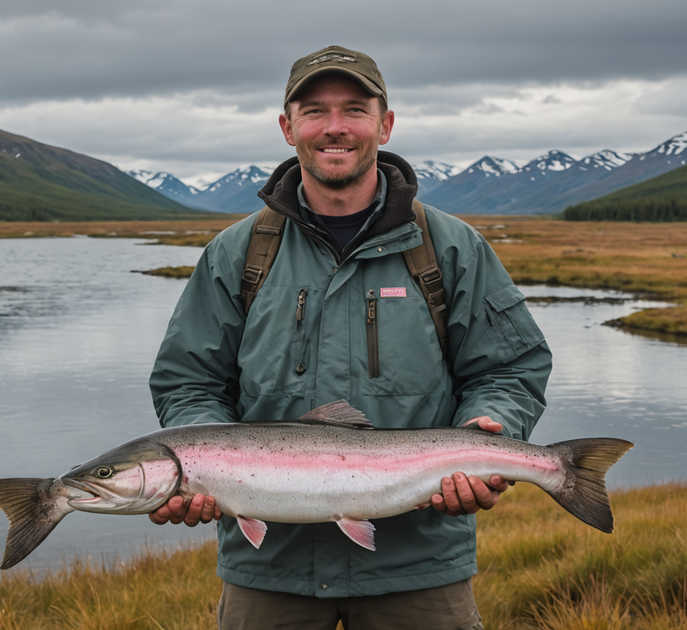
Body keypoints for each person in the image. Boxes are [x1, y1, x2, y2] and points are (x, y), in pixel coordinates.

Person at [148, 45, 551, 630]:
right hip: (268, 571)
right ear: (288, 128)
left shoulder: (452, 247)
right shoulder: (237, 254)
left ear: (384, 125)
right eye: (314, 111)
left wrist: (493, 428)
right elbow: (189, 379)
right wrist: (202, 462)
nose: (334, 127)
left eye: (355, 109)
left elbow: (509, 369)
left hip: (420, 567)